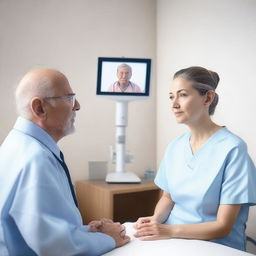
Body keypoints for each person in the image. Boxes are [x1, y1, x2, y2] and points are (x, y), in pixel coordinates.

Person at [0, 69, 130, 256]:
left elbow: (38, 228)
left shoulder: (17, 144)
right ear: (39, 108)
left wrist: (88, 232)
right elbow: (56, 247)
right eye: (69, 98)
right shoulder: (36, 159)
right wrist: (109, 238)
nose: (77, 106)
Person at [134, 66, 256, 251]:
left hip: (215, 246)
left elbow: (222, 226)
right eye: (171, 96)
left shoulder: (233, 149)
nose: (174, 104)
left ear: (207, 98)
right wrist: (155, 219)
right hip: (174, 241)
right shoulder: (175, 146)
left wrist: (168, 230)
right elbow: (168, 197)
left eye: (182, 95)